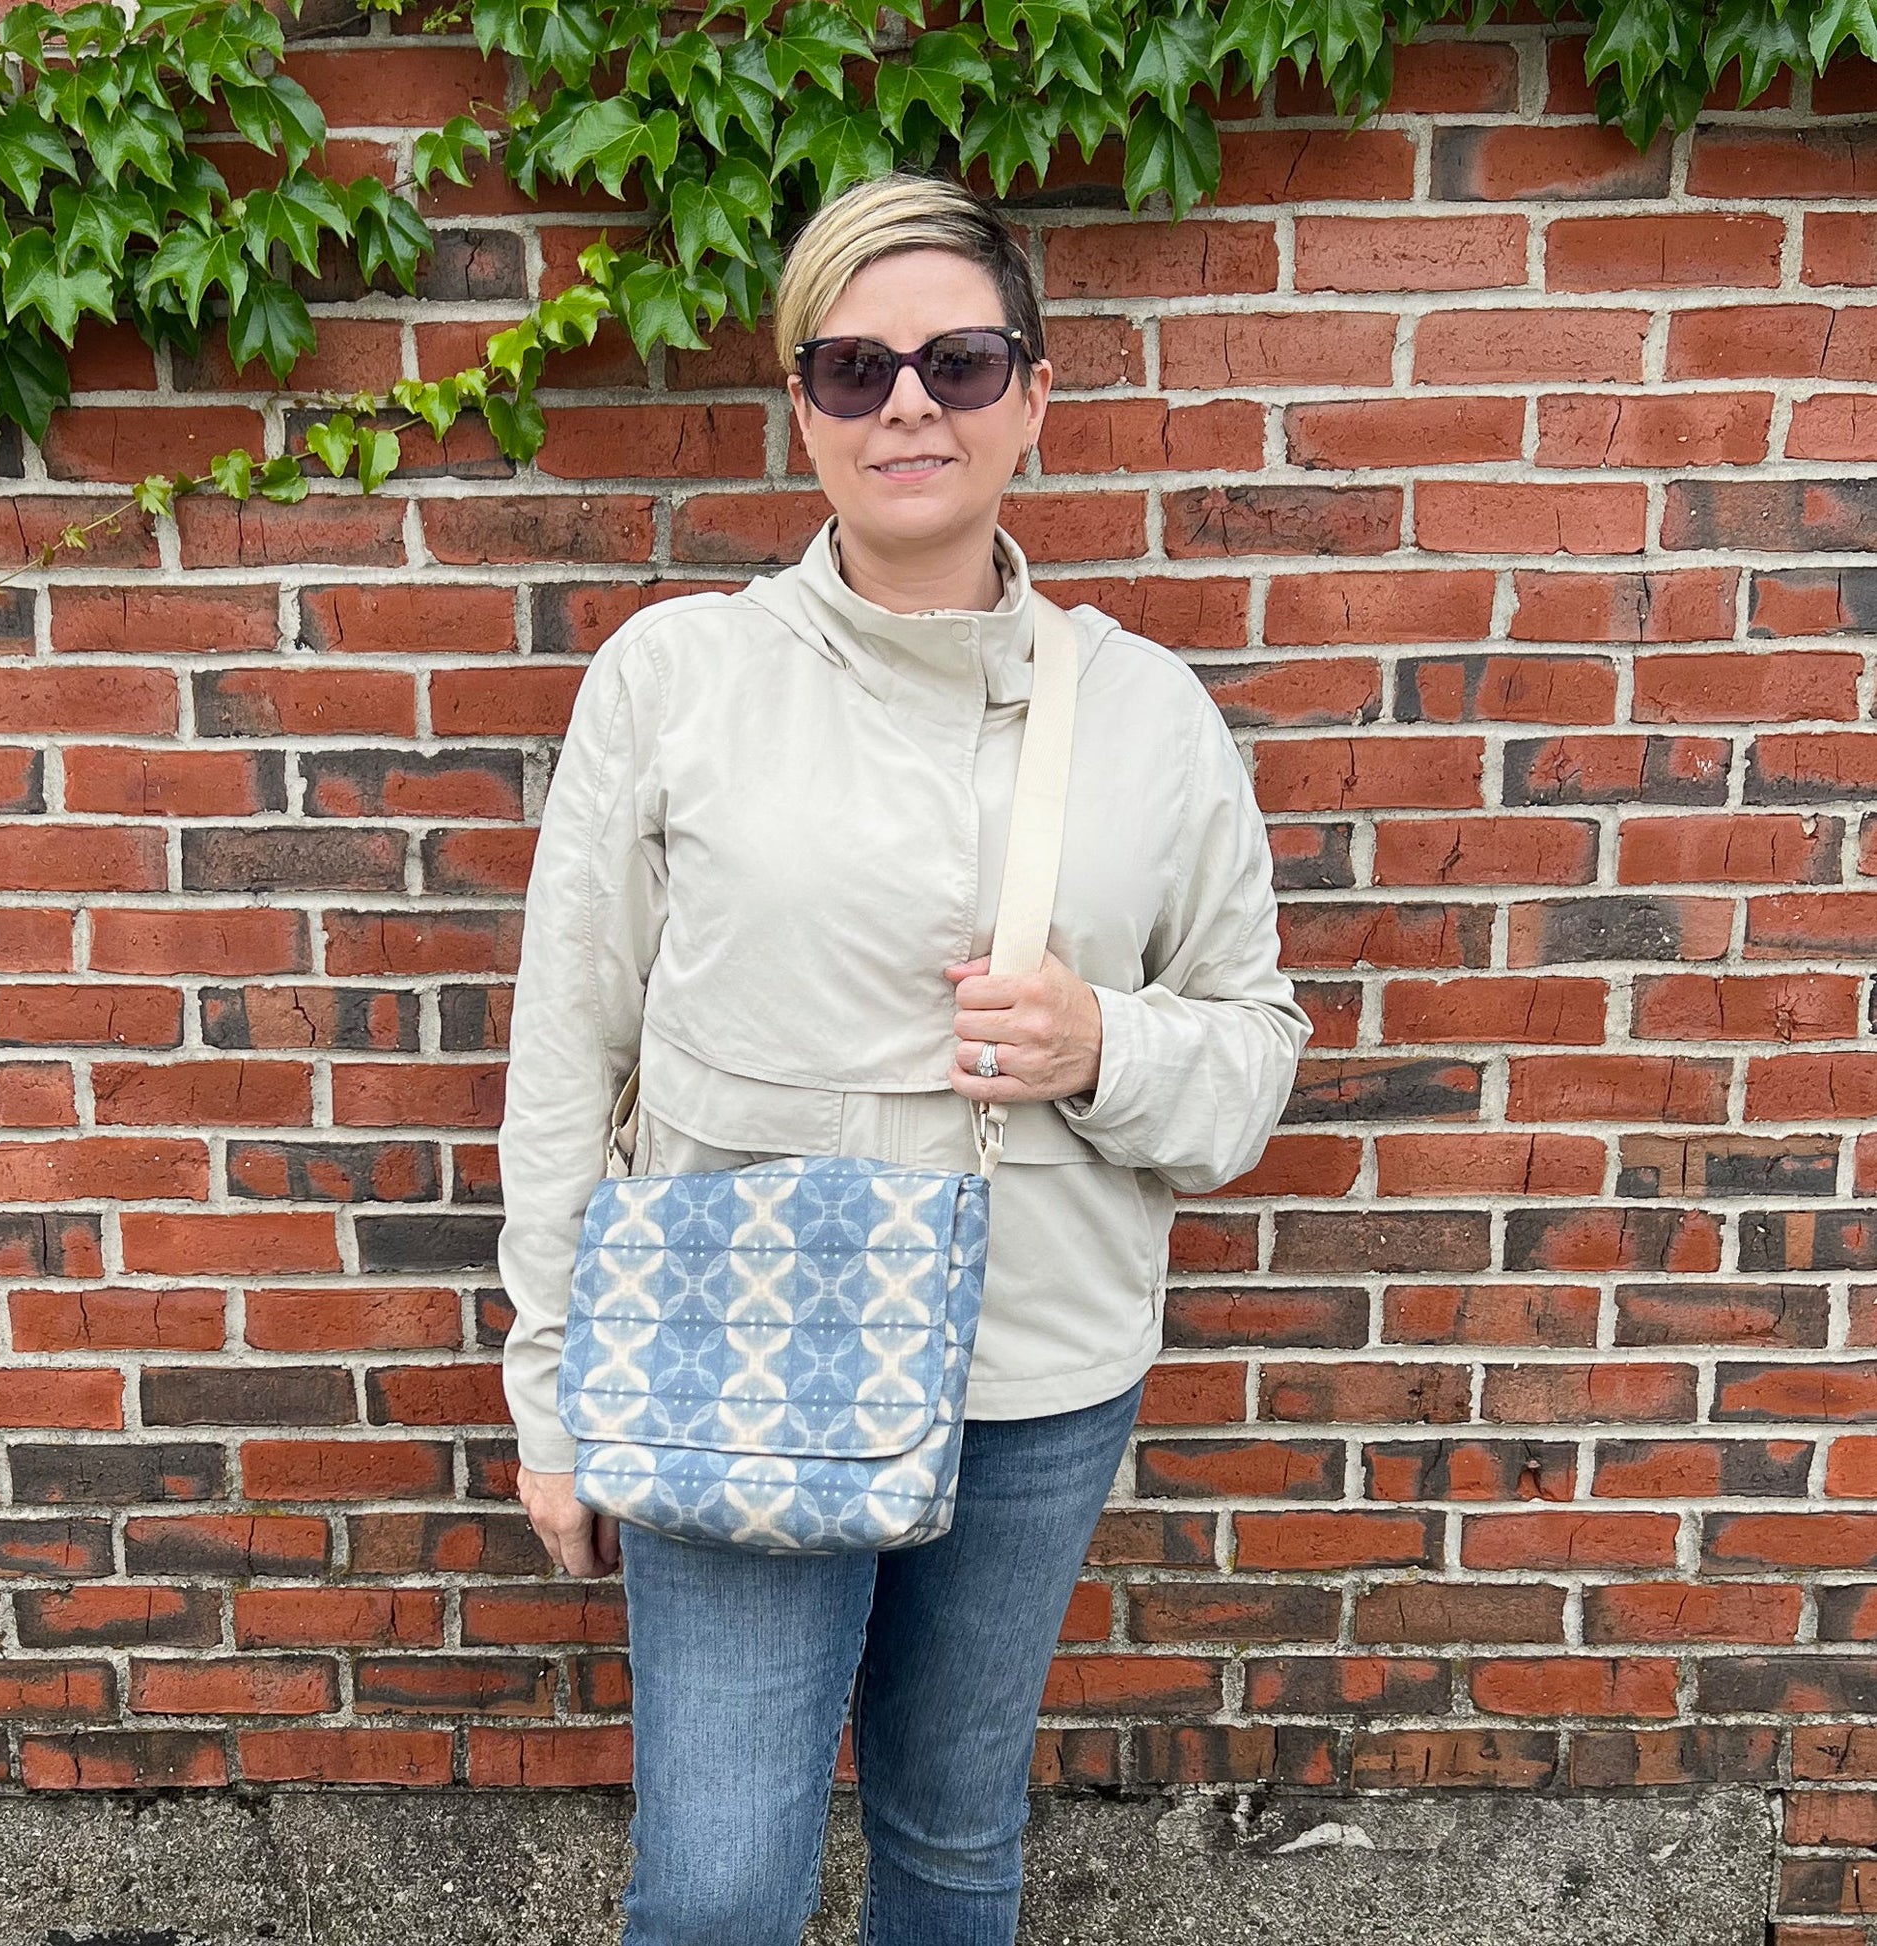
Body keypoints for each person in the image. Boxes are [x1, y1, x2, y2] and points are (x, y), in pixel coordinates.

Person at [496, 169, 1311, 1945]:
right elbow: (570, 1044)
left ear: (1033, 392)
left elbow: (1251, 1050)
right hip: (729, 1358)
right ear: (801, 406)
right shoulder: (676, 678)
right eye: (853, 368)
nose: (908, 406)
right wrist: (550, 1394)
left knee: (951, 1839)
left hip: (1033, 1369)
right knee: (716, 1885)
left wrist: (1100, 1042)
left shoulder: (1146, 713)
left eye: (958, 359)